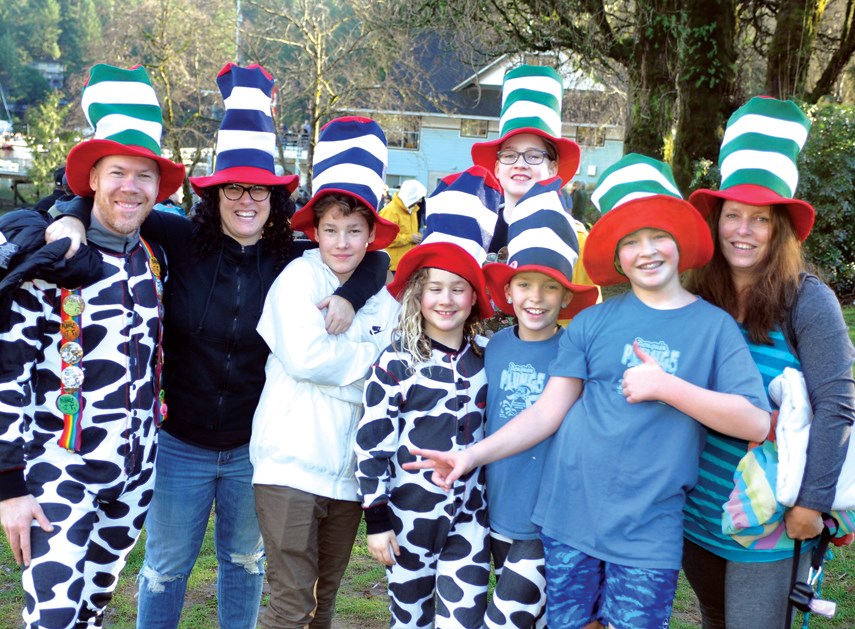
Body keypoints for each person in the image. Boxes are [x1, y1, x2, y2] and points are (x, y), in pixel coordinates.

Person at [46, 64, 389, 629]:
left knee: (244, 562)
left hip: (253, 445)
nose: (246, 199)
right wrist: (70, 217)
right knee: (165, 566)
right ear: (214, 194)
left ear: (275, 198)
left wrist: (351, 295)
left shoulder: (292, 254)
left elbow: (371, 253)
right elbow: (115, 202)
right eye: (234, 187)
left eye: (258, 189)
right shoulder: (178, 237)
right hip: (181, 440)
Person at [404, 154, 771, 628]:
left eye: (658, 236)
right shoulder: (592, 323)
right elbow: (545, 413)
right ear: (618, 257)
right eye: (632, 241)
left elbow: (755, 421)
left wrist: (668, 387)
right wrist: (471, 456)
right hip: (568, 520)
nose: (647, 251)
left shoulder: (713, 328)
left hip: (647, 532)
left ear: (679, 241)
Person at [0, 63, 185, 628]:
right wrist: (8, 487)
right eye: (117, 173)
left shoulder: (154, 256)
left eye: (143, 175)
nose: (130, 187)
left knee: (92, 611)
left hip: (134, 474)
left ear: (158, 187)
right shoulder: (48, 260)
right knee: (52, 617)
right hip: (57, 471)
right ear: (93, 180)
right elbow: (7, 372)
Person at [681, 96, 855, 628]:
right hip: (698, 510)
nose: (743, 230)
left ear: (780, 229)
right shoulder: (699, 295)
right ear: (716, 221)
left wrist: (812, 504)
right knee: (714, 617)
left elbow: (839, 407)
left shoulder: (808, 300)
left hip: (772, 520)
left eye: (760, 219)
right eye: (733, 215)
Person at [250, 116, 402, 629]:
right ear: (315, 231)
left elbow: (396, 374)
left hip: (347, 476)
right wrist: (372, 364)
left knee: (324, 599)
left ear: (370, 235)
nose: (341, 242)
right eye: (331, 230)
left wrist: (363, 367)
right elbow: (307, 360)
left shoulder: (383, 298)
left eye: (354, 231)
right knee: (292, 602)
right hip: (291, 466)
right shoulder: (298, 278)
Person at [354, 166, 501, 628]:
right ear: (418, 295)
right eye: (435, 288)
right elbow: (372, 441)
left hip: (470, 516)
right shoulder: (397, 360)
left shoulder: (486, 358)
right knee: (410, 618)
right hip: (407, 516)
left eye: (459, 289)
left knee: (462, 618)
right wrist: (376, 520)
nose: (446, 299)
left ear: (474, 298)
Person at [481, 177, 599, 628]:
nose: (536, 298)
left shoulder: (576, 353)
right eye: (524, 285)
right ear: (507, 292)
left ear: (567, 296)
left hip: (550, 519)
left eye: (549, 287)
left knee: (505, 621)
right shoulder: (493, 349)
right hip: (497, 510)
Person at [471, 64, 598, 298]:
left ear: (552, 168)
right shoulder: (477, 230)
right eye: (509, 155)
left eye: (534, 155)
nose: (520, 164)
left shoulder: (575, 238)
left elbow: (585, 320)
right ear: (497, 168)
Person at [379, 179, 427, 274]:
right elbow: (385, 239)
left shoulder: (413, 210)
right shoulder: (390, 211)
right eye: (419, 197)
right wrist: (410, 238)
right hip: (393, 267)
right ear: (411, 196)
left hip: (407, 264)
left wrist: (416, 237)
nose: (420, 201)